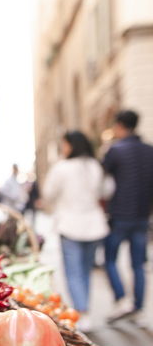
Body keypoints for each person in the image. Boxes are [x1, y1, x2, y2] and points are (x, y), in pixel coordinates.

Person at [42, 131, 114, 330]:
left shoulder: (62, 167)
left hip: (70, 224)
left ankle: (81, 311)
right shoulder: (95, 166)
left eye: (64, 145)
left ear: (71, 145)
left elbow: (48, 193)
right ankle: (85, 310)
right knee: (85, 271)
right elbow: (107, 190)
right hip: (94, 224)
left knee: (74, 272)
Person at [103, 110, 153, 322]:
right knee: (138, 264)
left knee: (110, 259)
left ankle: (122, 299)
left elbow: (102, 177)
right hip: (142, 215)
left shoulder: (115, 150)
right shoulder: (149, 150)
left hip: (120, 215)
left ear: (120, 125)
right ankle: (138, 307)